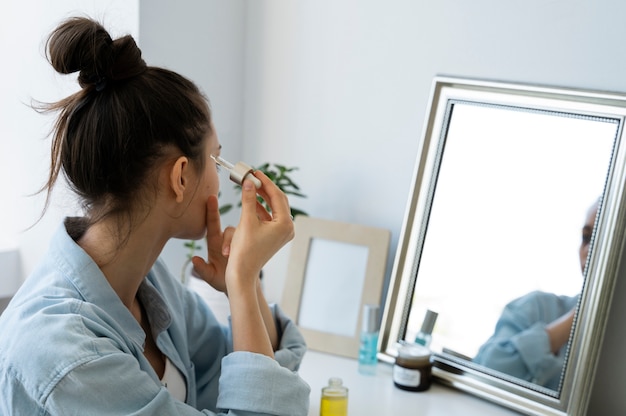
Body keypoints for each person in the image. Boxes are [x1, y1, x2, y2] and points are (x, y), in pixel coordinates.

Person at [0, 17, 310, 415]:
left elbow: (241, 376)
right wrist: (245, 274)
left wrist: (243, 288)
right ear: (181, 176)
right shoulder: (66, 353)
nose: (221, 179)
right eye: (216, 160)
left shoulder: (152, 284)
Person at [473, 200, 599, 390]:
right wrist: (583, 313)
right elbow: (482, 375)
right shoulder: (536, 308)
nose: (589, 249)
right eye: (586, 237)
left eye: (605, 240)